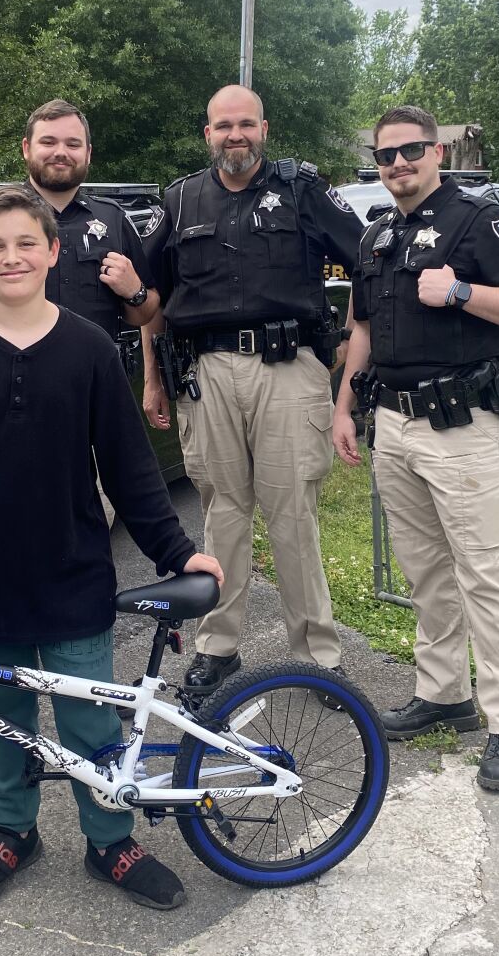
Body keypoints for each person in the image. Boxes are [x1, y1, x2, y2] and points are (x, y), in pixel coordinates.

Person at [0, 187, 223, 911]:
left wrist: (176, 551)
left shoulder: (88, 347)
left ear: (52, 251)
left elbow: (131, 467)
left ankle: (110, 839)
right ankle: (13, 829)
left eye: (25, 243)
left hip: (70, 572)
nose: (11, 257)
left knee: (90, 723)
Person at [331, 105, 499, 792]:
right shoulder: (375, 236)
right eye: (384, 155)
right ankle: (444, 693)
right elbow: (362, 324)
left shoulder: (479, 218)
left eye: (409, 151)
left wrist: (460, 289)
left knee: (486, 575)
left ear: (437, 153)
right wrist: (343, 402)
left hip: (463, 425)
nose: (396, 163)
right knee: (425, 571)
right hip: (393, 427)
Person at [141, 83, 361, 696]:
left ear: (265, 128)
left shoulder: (303, 190)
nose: (234, 136)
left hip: (288, 370)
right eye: (222, 126)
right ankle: (218, 647)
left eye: (245, 125)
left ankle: (317, 656)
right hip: (206, 374)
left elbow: (369, 258)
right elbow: (149, 298)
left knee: (293, 515)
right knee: (223, 516)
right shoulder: (180, 200)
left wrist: (350, 345)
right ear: (207, 133)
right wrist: (154, 379)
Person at [0, 99, 159, 526]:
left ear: (88, 154)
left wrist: (134, 291)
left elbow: (146, 312)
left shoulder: (112, 221)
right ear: (26, 148)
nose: (61, 152)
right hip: (1, 403)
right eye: (49, 141)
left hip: (85, 410)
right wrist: (5, 293)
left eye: (72, 143)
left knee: (86, 535)